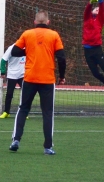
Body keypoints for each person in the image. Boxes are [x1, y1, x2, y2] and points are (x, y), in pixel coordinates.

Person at [9, 9, 66, 155]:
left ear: (35, 22)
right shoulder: (54, 35)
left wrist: (28, 51)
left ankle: (16, 140)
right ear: (48, 22)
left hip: (29, 78)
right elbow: (61, 58)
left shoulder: (27, 34)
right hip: (47, 80)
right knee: (47, 113)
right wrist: (62, 76)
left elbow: (14, 52)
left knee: (23, 109)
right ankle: (48, 147)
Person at [0, 44, 26, 119]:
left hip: (23, 75)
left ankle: (24, 112)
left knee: (26, 94)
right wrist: (3, 72)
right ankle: (6, 112)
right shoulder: (11, 48)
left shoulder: (28, 47)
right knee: (9, 94)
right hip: (12, 75)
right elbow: (3, 60)